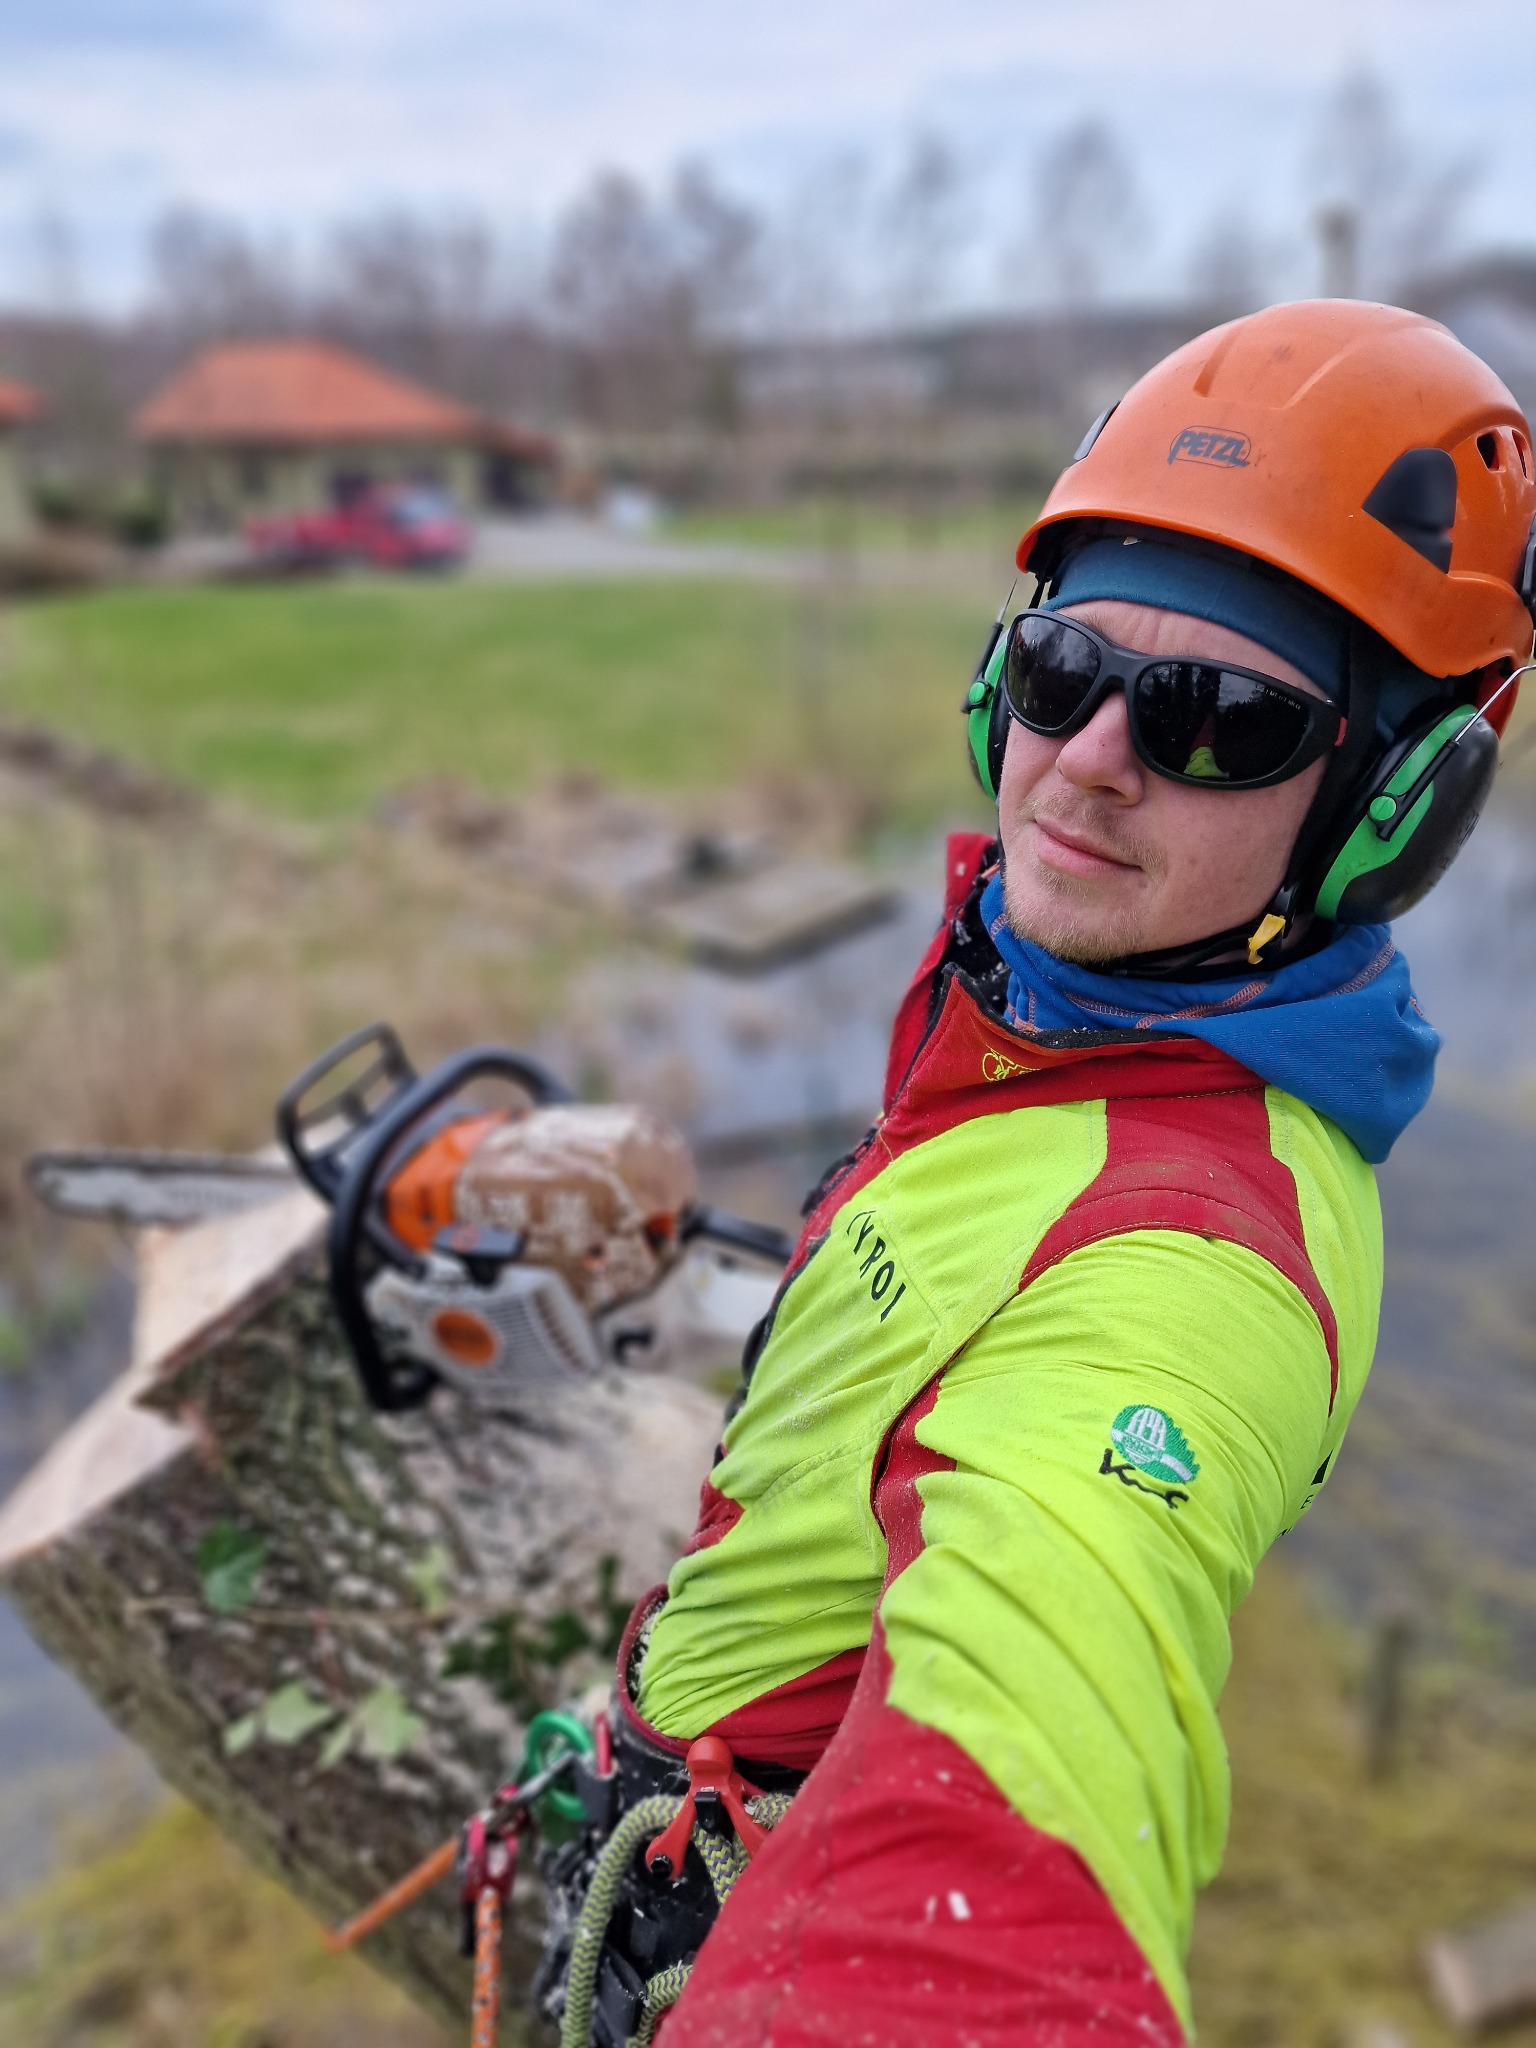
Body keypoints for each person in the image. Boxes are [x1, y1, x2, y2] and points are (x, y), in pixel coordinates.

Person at [595, 301, 1536, 2046]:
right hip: (682, 1761)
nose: (1089, 762)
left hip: (733, 1908)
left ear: (1389, 813)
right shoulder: (1056, 992)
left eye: (1217, 719)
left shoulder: (1189, 1266)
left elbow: (1027, 1776)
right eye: (1063, 673)